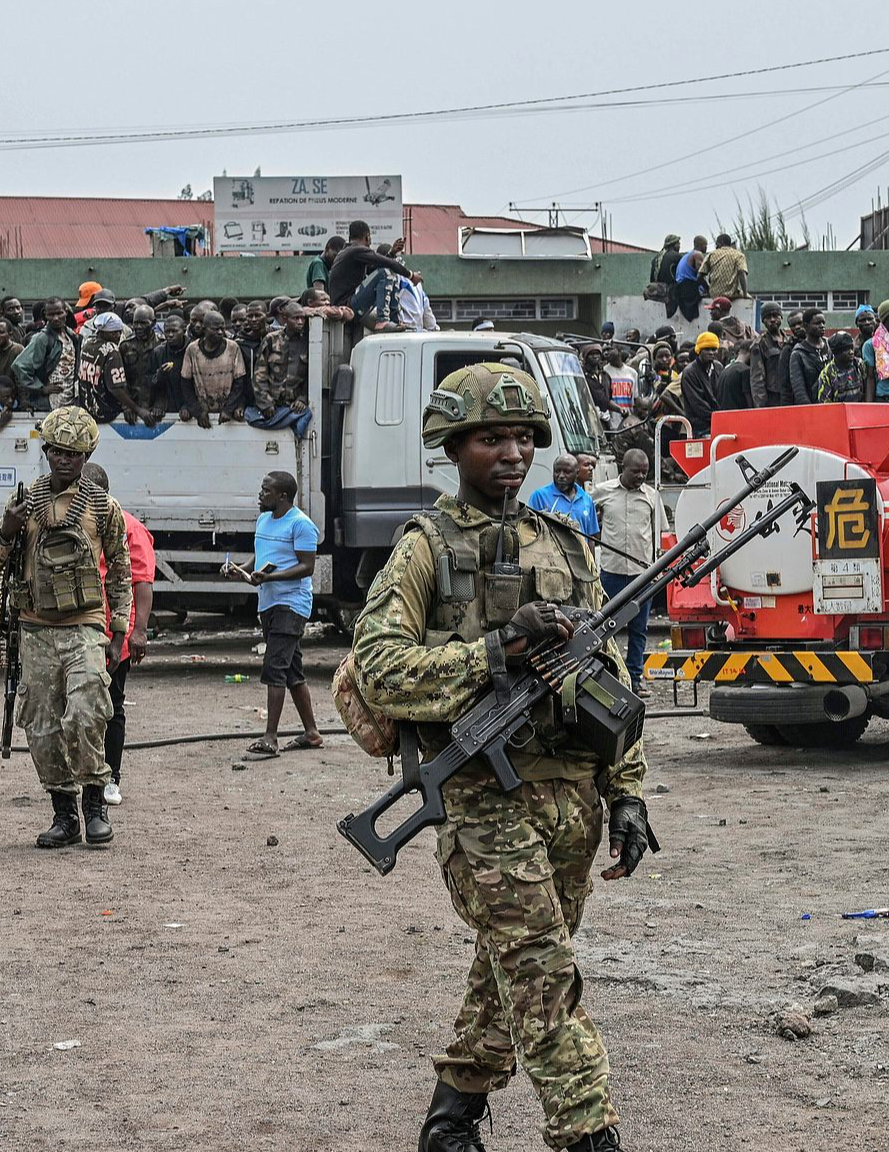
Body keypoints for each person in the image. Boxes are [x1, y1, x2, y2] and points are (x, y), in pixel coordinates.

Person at [351, 363, 652, 1152]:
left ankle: (449, 1122)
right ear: (454, 447)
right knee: (543, 974)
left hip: (571, 798)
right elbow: (378, 666)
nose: (511, 453)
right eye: (491, 438)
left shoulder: (564, 544)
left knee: (512, 969)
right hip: (482, 793)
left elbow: (607, 677)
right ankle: (590, 1133)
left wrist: (627, 793)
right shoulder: (424, 546)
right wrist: (494, 651)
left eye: (522, 437)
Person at [0, 408, 132, 849]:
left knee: (88, 709)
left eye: (74, 453)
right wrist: (9, 532)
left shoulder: (104, 508)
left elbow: (121, 571)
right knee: (42, 724)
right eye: (56, 452)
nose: (64, 460)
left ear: (87, 454)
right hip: (35, 628)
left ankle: (94, 805)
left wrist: (121, 629)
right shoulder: (23, 503)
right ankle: (63, 811)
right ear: (45, 451)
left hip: (84, 625)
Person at [224, 471, 322, 761]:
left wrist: (272, 578)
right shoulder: (264, 520)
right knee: (292, 670)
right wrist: (240, 569)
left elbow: (307, 567)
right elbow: (260, 556)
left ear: (282, 496)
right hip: (269, 603)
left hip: (291, 604)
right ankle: (312, 732)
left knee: (275, 667)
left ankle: (270, 738)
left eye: (266, 490)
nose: (260, 494)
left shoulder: (301, 525)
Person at [80, 462, 152, 806]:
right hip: (78, 630)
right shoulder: (74, 523)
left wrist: (137, 632)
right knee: (78, 705)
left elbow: (142, 582)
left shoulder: (129, 528)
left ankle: (111, 777)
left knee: (112, 706)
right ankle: (82, 775)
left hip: (114, 635)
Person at [590, 446, 667, 694]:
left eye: (644, 472)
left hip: (641, 574)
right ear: (624, 468)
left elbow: (660, 534)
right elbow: (584, 513)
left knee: (639, 630)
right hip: (611, 572)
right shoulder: (603, 492)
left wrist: (659, 567)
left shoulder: (652, 496)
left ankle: (635, 679)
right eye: (636, 472)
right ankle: (604, 678)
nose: (641, 477)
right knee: (603, 628)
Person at [324, 220, 411, 327]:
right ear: (367, 237)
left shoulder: (347, 252)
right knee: (385, 272)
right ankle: (382, 320)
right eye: (369, 239)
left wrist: (392, 253)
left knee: (388, 272)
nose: (370, 243)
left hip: (348, 303)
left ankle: (395, 321)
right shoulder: (357, 250)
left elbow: (373, 269)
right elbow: (386, 263)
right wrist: (410, 275)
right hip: (347, 306)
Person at [250, 302, 314, 437]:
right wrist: (266, 403)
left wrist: (303, 398)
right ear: (285, 318)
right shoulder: (271, 340)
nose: (300, 322)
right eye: (295, 318)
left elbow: (312, 376)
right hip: (271, 407)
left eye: (302, 318)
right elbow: (259, 374)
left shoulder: (308, 343)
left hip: (293, 408)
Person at [180, 310, 247, 430]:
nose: (220, 332)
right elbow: (186, 384)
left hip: (227, 412)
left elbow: (239, 383)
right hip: (202, 410)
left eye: (222, 328)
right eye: (215, 329)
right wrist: (197, 411)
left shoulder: (233, 347)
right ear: (204, 329)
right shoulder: (192, 350)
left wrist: (228, 409)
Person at [77, 311, 147, 423]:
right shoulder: (111, 351)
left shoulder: (87, 344)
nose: (118, 336)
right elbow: (116, 388)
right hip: (106, 412)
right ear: (103, 332)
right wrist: (136, 409)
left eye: (119, 332)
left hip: (86, 411)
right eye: (114, 333)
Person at [12, 297, 77, 412]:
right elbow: (19, 366)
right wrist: (41, 388)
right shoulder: (42, 338)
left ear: (66, 312)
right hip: (50, 405)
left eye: (59, 313)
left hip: (70, 403)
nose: (56, 318)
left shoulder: (70, 335)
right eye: (51, 315)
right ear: (45, 315)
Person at [678, 331, 722, 436]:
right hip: (700, 427)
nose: (711, 352)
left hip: (718, 423)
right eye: (707, 349)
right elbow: (698, 405)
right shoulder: (690, 373)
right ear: (699, 351)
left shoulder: (718, 367)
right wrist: (719, 418)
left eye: (713, 349)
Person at [782, 309, 827, 406]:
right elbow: (798, 390)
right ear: (806, 325)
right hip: (811, 407)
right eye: (817, 323)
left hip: (832, 406)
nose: (822, 326)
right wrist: (809, 410)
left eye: (823, 322)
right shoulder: (797, 353)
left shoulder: (829, 345)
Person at [746, 303, 786, 407]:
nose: (772, 319)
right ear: (763, 320)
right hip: (773, 399)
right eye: (768, 317)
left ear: (781, 317)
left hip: (790, 396)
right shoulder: (759, 344)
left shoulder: (790, 341)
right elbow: (757, 379)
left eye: (775, 315)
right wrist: (761, 407)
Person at [816, 331, 873, 403]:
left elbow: (867, 387)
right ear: (837, 353)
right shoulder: (827, 374)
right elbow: (825, 403)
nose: (851, 352)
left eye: (851, 348)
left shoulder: (858, 364)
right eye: (846, 350)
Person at [701, 233, 749, 300]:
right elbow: (742, 273)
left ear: (721, 242)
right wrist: (745, 294)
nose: (716, 246)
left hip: (714, 295)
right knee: (751, 299)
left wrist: (709, 289)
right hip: (731, 295)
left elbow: (700, 275)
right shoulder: (739, 255)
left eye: (717, 243)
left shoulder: (711, 255)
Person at [671, 235, 707, 322]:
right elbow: (700, 275)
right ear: (702, 245)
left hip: (678, 289)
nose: (706, 247)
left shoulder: (686, 255)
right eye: (706, 245)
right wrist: (709, 288)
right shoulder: (698, 254)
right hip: (687, 288)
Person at [650, 235, 684, 317]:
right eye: (678, 243)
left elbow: (652, 279)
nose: (680, 246)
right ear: (673, 244)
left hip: (656, 289)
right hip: (670, 290)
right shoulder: (677, 256)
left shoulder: (656, 258)